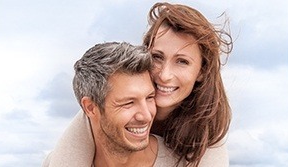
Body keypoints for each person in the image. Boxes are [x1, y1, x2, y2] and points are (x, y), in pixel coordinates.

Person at [43, 2, 233, 167]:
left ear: (202, 70)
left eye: (182, 61)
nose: (165, 75)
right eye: (157, 57)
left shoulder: (208, 126)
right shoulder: (106, 101)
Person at [43, 42, 186, 167]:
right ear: (90, 108)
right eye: (128, 103)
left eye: (149, 97)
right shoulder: (55, 162)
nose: (146, 116)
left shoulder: (184, 162)